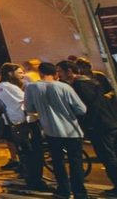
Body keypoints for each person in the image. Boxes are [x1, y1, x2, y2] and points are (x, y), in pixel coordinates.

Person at [25, 62, 88, 199]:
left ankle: (63, 190)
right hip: (72, 130)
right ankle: (80, 193)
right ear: (55, 73)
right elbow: (81, 109)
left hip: (50, 131)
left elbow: (29, 108)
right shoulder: (64, 87)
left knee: (58, 162)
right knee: (76, 162)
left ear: (40, 73)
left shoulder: (31, 88)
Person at [59, 60, 117, 195]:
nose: (58, 75)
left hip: (100, 126)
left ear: (69, 71)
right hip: (110, 122)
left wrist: (88, 125)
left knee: (107, 157)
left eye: (60, 71)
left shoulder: (79, 85)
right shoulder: (90, 82)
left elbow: (90, 107)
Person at [0, 62, 46, 193]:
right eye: (19, 73)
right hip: (23, 123)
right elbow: (27, 101)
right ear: (10, 73)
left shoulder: (3, 86)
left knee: (27, 153)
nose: (22, 75)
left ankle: (32, 178)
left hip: (17, 123)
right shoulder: (7, 87)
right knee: (32, 153)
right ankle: (35, 181)